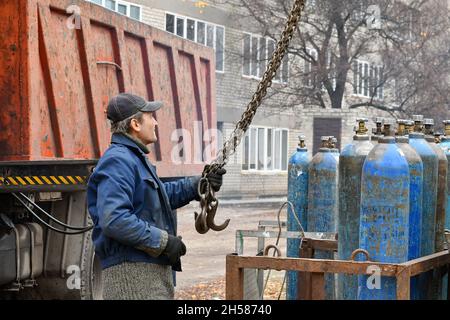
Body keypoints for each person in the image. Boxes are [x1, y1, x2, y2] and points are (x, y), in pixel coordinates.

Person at [87, 93, 226, 300]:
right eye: (150, 116)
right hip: (133, 282)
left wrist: (198, 184)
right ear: (135, 124)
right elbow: (114, 219)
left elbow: (158, 198)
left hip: (146, 279)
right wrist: (163, 242)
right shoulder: (118, 160)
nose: (156, 122)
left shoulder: (132, 159)